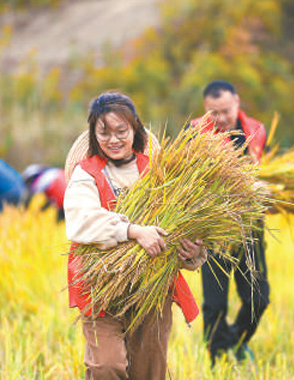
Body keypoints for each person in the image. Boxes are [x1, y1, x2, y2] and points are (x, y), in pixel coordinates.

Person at [64, 92, 207, 380]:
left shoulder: (158, 174)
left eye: (121, 131)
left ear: (135, 131)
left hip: (151, 288)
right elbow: (81, 221)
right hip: (100, 286)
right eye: (104, 132)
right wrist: (133, 231)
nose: (113, 140)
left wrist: (192, 252)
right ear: (94, 135)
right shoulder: (86, 175)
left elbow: (180, 228)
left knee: (148, 371)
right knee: (107, 366)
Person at [191, 80, 270, 365]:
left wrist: (265, 190)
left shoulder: (257, 130)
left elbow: (270, 171)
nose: (221, 118)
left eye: (225, 110)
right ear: (205, 110)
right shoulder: (195, 134)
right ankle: (218, 357)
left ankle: (236, 341)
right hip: (214, 231)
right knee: (215, 304)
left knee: (258, 299)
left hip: (250, 228)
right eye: (214, 113)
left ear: (237, 101)